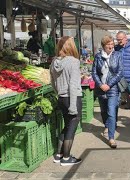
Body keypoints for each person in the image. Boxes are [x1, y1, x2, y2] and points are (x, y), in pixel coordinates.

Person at [50, 36, 82, 166]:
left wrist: (59, 93)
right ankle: (67, 158)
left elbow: (52, 82)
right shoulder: (73, 62)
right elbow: (73, 85)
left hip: (61, 98)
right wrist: (73, 106)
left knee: (67, 125)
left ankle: (59, 155)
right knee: (71, 128)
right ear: (70, 46)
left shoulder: (54, 62)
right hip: (72, 98)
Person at [92, 35, 123, 149]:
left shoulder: (118, 55)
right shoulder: (98, 56)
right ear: (103, 46)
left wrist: (109, 85)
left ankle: (111, 137)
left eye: (111, 44)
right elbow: (94, 72)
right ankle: (107, 125)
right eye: (108, 44)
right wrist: (100, 84)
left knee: (111, 111)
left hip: (113, 88)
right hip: (100, 89)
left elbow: (120, 72)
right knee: (104, 111)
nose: (110, 46)